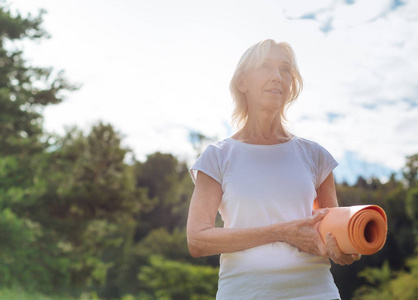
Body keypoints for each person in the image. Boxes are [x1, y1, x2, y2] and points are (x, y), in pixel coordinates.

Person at [186, 39, 361, 300]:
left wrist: (344, 246)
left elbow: (329, 230)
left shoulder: (316, 156)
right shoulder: (217, 157)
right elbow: (198, 240)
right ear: (242, 82)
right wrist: (280, 233)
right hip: (244, 292)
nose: (277, 77)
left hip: (315, 291)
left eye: (285, 69)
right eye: (265, 67)